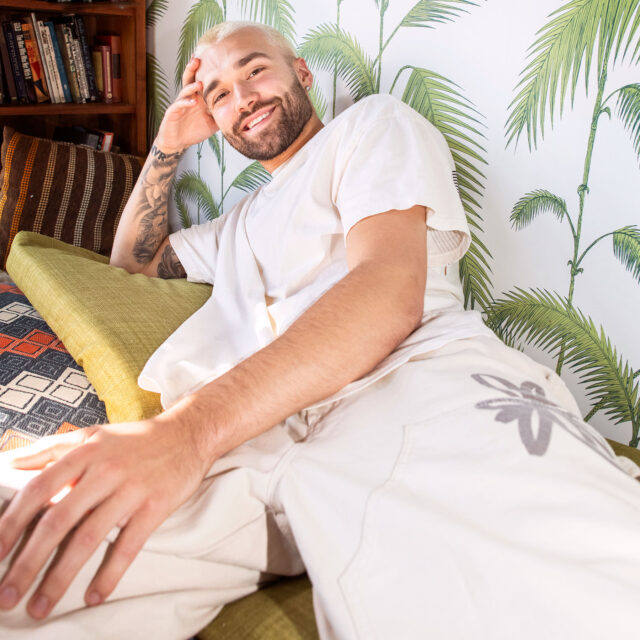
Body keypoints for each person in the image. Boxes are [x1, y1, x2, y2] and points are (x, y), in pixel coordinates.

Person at [1, 20, 640, 640]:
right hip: (255, 433)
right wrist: (169, 143)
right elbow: (130, 263)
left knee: (583, 586)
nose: (241, 96)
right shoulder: (236, 224)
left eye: (255, 71)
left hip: (409, 383)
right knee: (31, 545)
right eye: (218, 93)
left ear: (301, 73)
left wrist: (187, 433)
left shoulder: (372, 126)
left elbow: (389, 293)